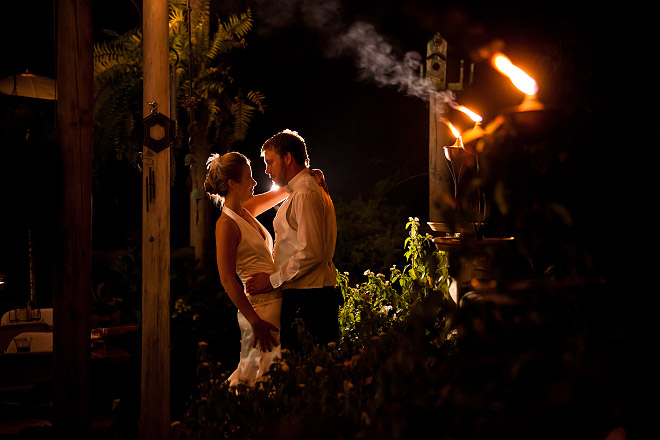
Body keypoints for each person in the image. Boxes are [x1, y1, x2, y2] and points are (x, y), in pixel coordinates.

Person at [204, 151, 327, 386]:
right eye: (248, 177)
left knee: (276, 370)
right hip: (259, 311)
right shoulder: (226, 224)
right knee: (261, 372)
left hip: (277, 302)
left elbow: (282, 191)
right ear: (232, 183)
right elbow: (227, 280)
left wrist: (308, 176)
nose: (254, 182)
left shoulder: (246, 210)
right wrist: (255, 322)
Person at [245, 129, 340, 352]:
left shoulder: (305, 192)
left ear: (288, 158)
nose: (266, 170)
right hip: (304, 293)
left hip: (310, 296)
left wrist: (272, 280)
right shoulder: (300, 189)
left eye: (270, 162)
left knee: (306, 371)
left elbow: (312, 252)